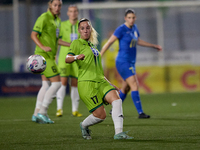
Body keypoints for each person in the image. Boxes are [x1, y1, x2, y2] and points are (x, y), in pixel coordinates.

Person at [65, 18, 133, 140]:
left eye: (87, 28)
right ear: (79, 30)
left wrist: (109, 83)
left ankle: (119, 133)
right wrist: (76, 57)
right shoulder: (77, 43)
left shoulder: (92, 45)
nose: (85, 30)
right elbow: (67, 58)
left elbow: (98, 70)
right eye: (82, 28)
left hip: (101, 81)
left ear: (91, 29)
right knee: (101, 116)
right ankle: (83, 125)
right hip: (87, 84)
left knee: (117, 100)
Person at [101, 9, 162, 119]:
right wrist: (100, 54)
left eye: (133, 17)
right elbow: (110, 42)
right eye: (129, 18)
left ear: (135, 18)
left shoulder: (134, 28)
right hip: (122, 61)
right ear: (125, 18)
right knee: (134, 84)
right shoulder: (121, 29)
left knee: (126, 88)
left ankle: (114, 109)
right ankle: (140, 113)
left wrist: (153, 46)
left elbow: (137, 41)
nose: (131, 20)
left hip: (130, 62)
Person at [31, 0, 71, 124]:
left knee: (45, 85)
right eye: (55, 5)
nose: (57, 7)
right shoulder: (44, 17)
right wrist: (43, 47)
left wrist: (70, 44)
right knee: (57, 83)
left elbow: (57, 40)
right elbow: (33, 35)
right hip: (43, 56)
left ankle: (36, 113)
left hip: (49, 56)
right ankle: (42, 112)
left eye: (59, 5)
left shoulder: (57, 20)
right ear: (50, 5)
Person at [56, 5, 82, 117]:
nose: (73, 13)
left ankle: (75, 110)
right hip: (64, 57)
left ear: (77, 12)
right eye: (71, 11)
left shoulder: (81, 26)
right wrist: (70, 44)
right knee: (63, 82)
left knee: (75, 83)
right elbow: (57, 40)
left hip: (77, 58)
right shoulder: (62, 25)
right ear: (67, 13)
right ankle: (59, 109)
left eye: (75, 11)